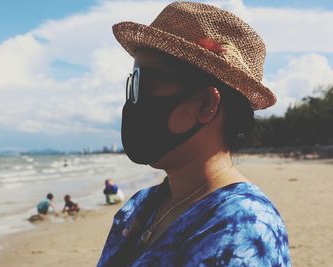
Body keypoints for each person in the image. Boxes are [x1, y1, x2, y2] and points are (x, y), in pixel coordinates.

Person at [97, 2, 291, 266]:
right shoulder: (143, 205)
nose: (133, 101)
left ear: (205, 104)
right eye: (133, 82)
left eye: (145, 83)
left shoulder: (241, 226)